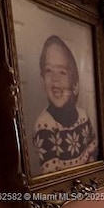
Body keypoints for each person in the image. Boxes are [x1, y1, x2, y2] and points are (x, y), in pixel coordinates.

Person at [32, 35, 98, 174]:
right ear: (42, 79)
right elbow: (53, 178)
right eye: (49, 70)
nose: (55, 79)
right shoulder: (44, 126)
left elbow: (93, 154)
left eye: (62, 72)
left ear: (74, 83)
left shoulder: (83, 116)